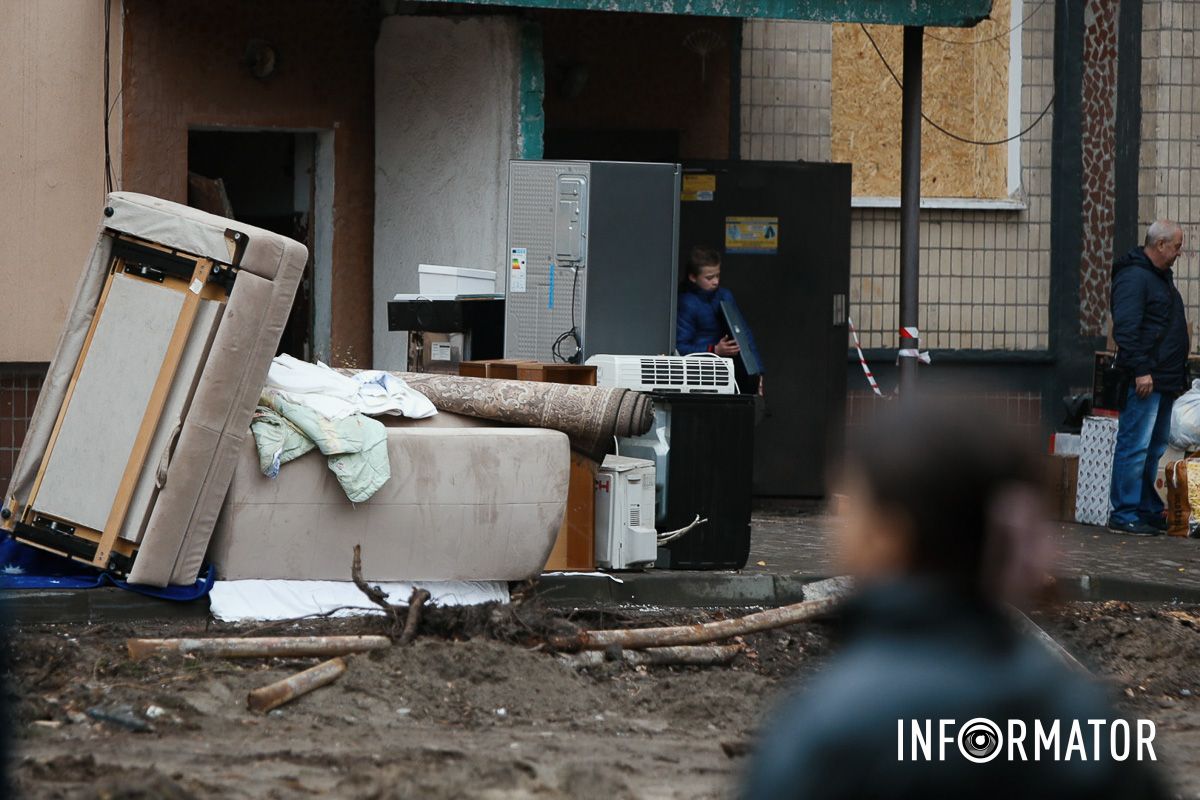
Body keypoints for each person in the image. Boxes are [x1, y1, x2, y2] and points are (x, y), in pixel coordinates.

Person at [742, 398, 1166, 800]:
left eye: (849, 507)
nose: (831, 524)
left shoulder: (825, 728)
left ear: (888, 537)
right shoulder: (1088, 720)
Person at [1108, 220, 1188, 536]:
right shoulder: (1134, 278)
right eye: (1177, 246)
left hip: (1164, 379)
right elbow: (1126, 329)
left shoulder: (1158, 278)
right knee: (1135, 445)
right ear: (1159, 245)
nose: (1180, 253)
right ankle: (1124, 511)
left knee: (1153, 448)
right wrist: (1141, 370)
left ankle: (1144, 507)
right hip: (1146, 380)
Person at [676, 245, 765, 396]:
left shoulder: (724, 296)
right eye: (709, 278)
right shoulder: (686, 303)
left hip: (729, 373)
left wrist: (757, 371)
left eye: (718, 275)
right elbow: (680, 348)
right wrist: (714, 350)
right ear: (693, 277)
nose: (715, 281)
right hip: (699, 376)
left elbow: (743, 334)